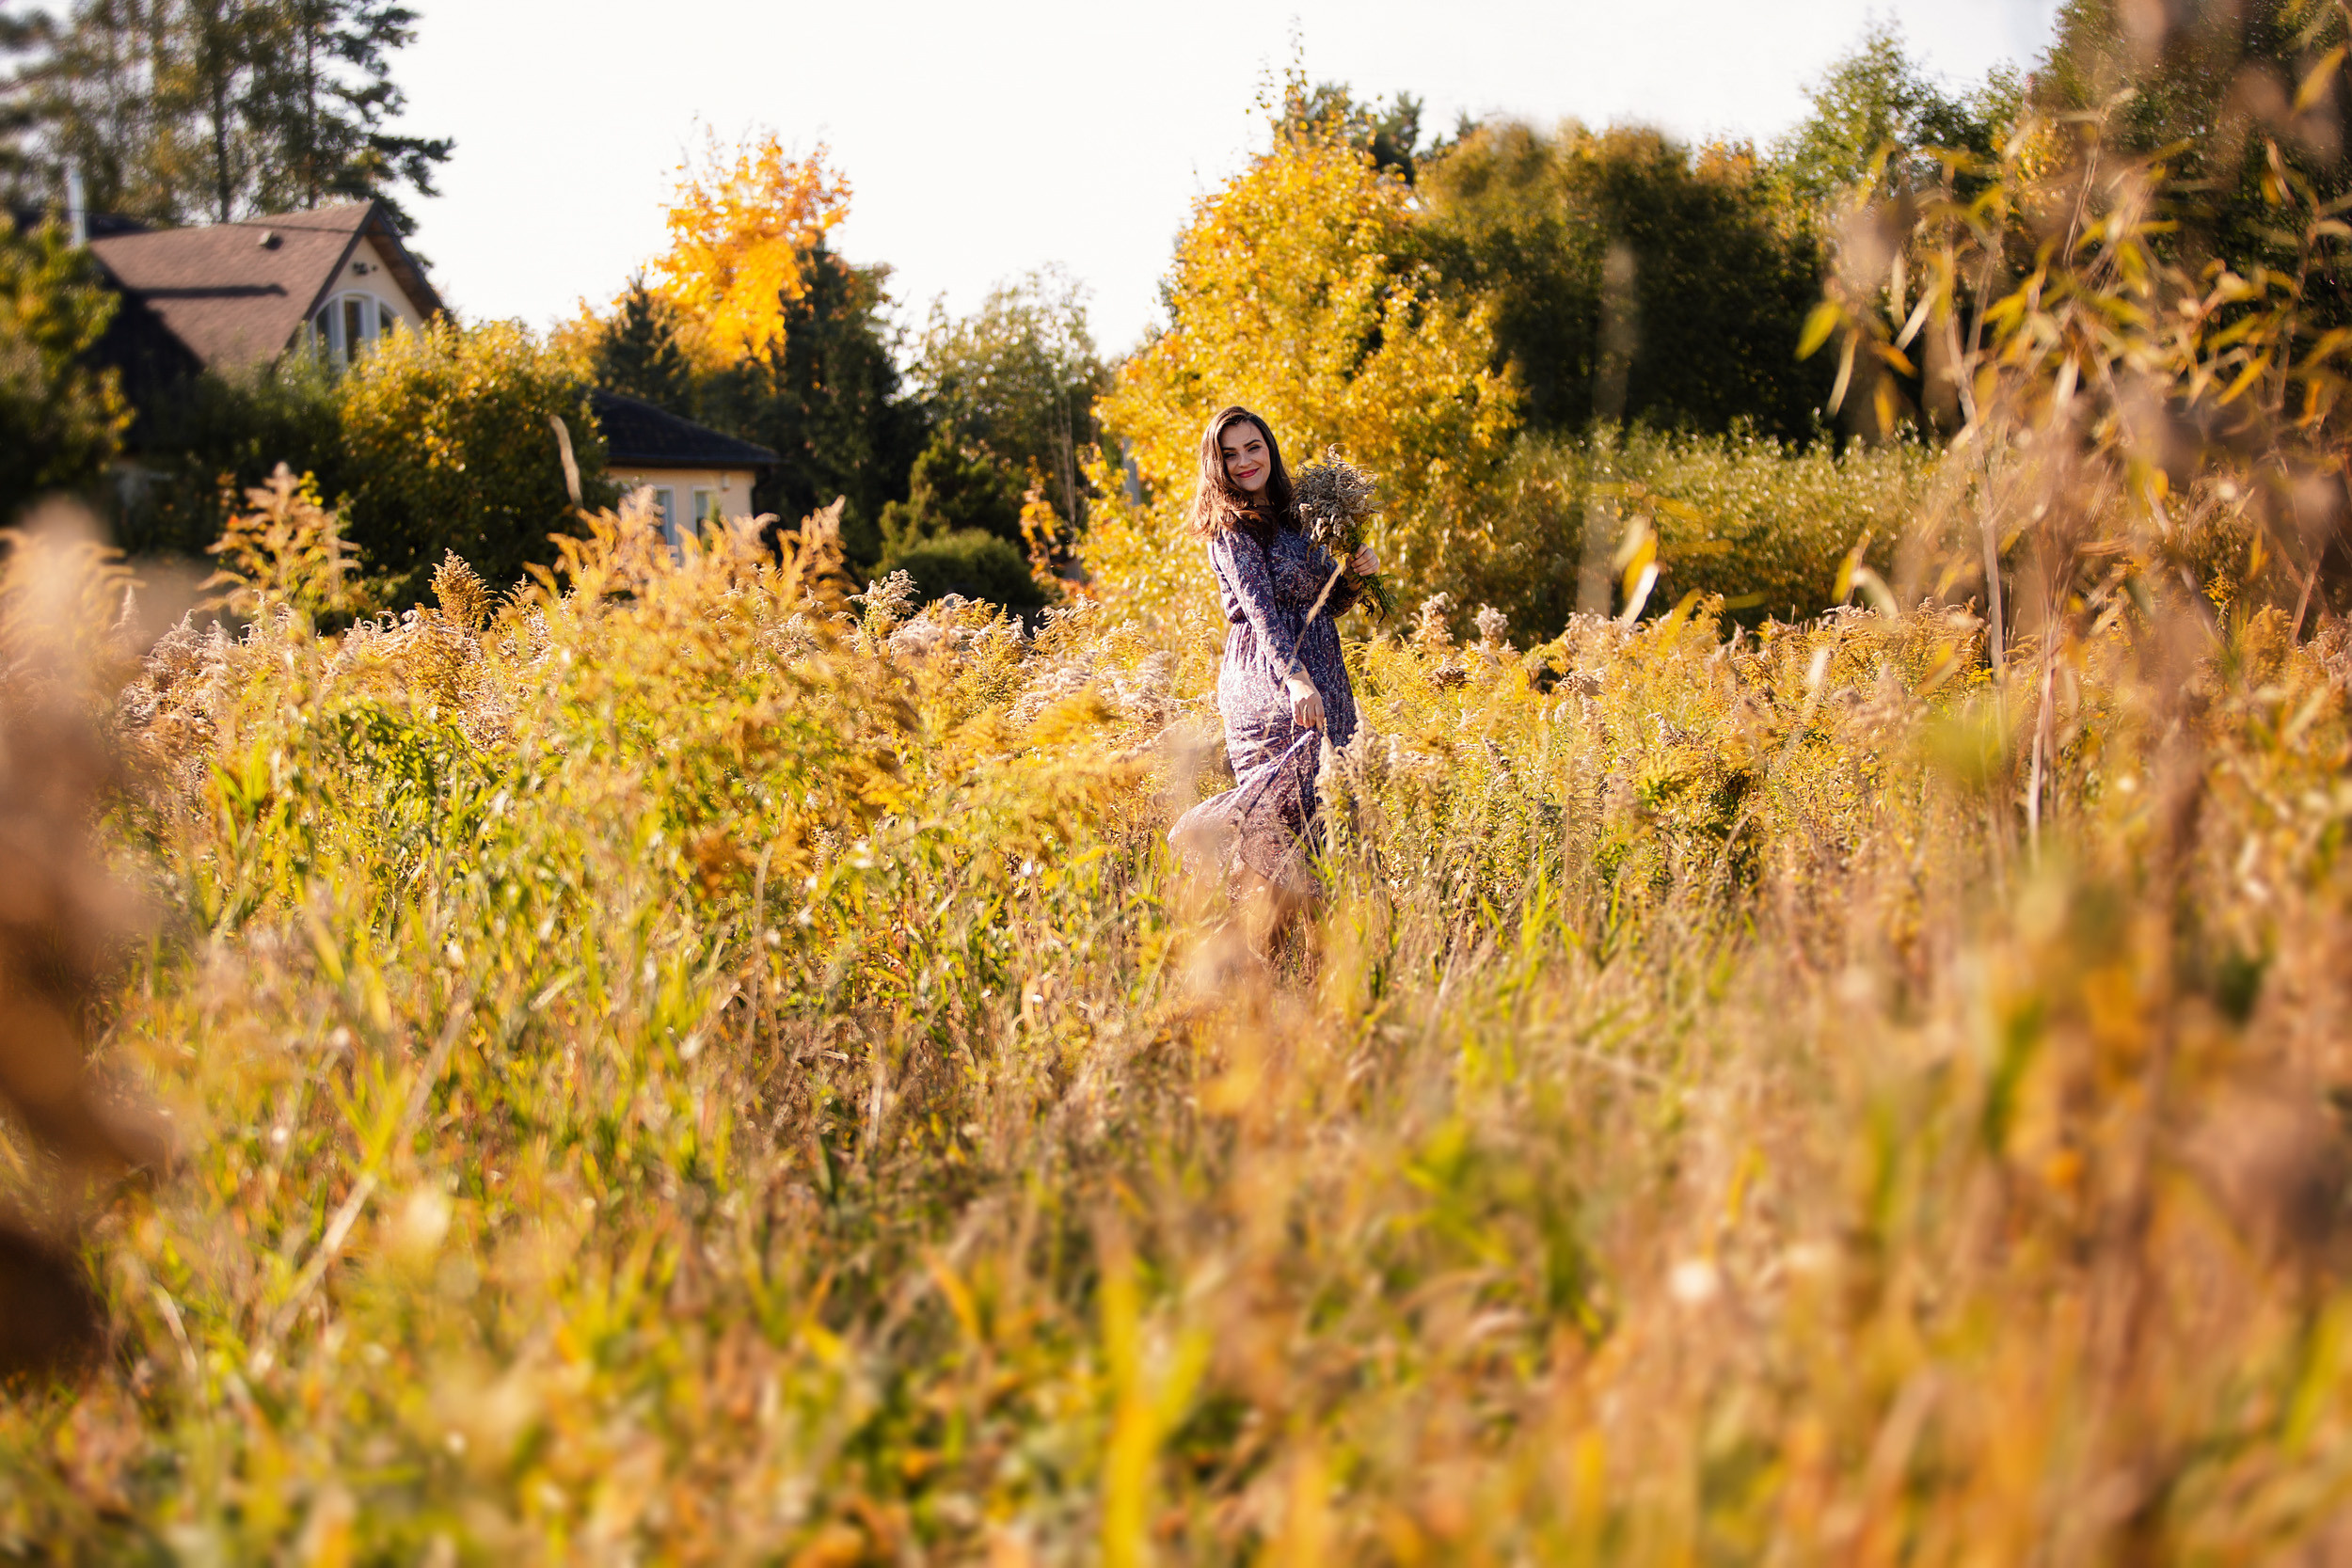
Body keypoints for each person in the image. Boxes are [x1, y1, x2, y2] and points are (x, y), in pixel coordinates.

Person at [1169, 405, 1380, 911]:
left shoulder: (1296, 517)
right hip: (1268, 675)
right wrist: (1297, 681)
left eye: (1253, 447)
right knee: (1287, 796)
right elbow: (1261, 613)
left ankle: (1313, 946)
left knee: (1329, 806)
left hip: (1324, 669)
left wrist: (1355, 574)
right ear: (1216, 463)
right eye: (1230, 453)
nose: (1244, 461)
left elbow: (1328, 604)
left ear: (1270, 449)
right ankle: (1199, 836)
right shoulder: (1231, 527)